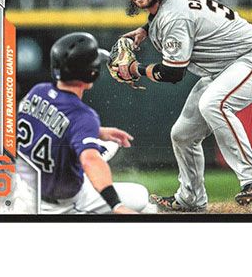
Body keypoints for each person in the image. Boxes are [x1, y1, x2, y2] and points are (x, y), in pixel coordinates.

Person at [116, 0, 252, 211]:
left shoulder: (174, 17)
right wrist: (145, 30)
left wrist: (135, 69)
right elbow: (165, 14)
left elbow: (173, 73)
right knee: (183, 135)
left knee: (214, 104)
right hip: (223, 68)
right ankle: (190, 199)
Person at [16, 32, 152, 214]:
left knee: (109, 144)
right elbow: (90, 160)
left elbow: (46, 125)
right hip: (60, 203)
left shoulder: (38, 91)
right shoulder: (83, 115)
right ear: (91, 73)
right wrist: (116, 205)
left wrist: (98, 131)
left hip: (25, 189)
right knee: (141, 197)